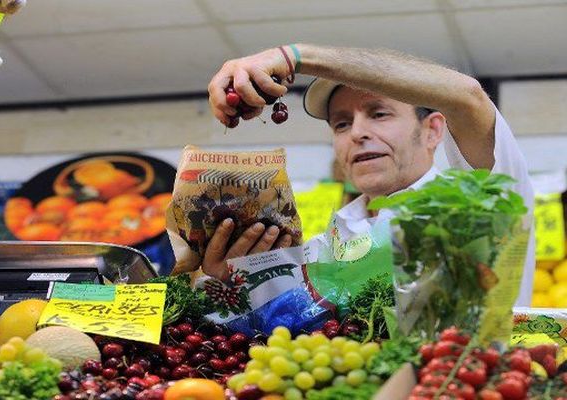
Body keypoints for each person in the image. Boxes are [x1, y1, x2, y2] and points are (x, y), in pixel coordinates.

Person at [203, 44, 534, 306]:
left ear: (432, 130)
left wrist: (293, 57)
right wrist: (232, 279)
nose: (357, 133)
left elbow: (468, 96)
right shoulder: (322, 250)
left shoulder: (479, 202)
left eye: (379, 113)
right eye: (342, 123)